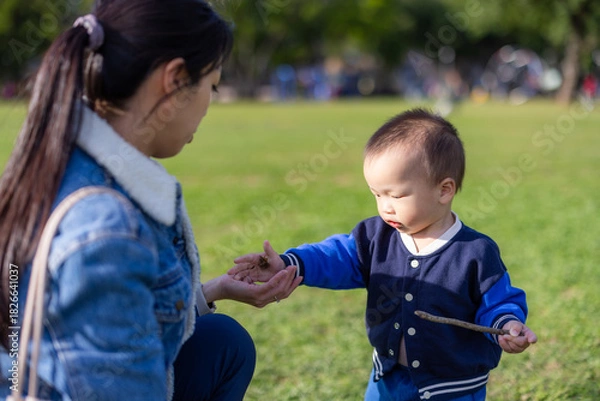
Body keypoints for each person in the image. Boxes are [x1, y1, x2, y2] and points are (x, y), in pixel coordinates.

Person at [0, 1, 302, 400]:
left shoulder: (55, 159)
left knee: (221, 342)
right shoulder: (106, 228)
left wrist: (213, 290)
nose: (210, 103)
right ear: (174, 80)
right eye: (211, 85)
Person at [230, 108, 538, 401]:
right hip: (387, 379)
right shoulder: (375, 237)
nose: (385, 207)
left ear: (444, 190)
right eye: (377, 194)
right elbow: (335, 257)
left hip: (453, 388)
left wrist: (506, 325)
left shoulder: (475, 253)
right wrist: (288, 262)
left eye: (397, 195)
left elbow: (498, 301)